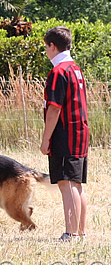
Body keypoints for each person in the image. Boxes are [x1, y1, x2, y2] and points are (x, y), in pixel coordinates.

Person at [40, 26, 89, 242]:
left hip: (64, 134)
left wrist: (45, 138)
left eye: (46, 47)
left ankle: (71, 233)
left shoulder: (58, 71)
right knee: (76, 184)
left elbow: (54, 108)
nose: (46, 51)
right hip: (80, 132)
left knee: (66, 183)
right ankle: (80, 232)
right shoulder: (75, 69)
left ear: (52, 46)